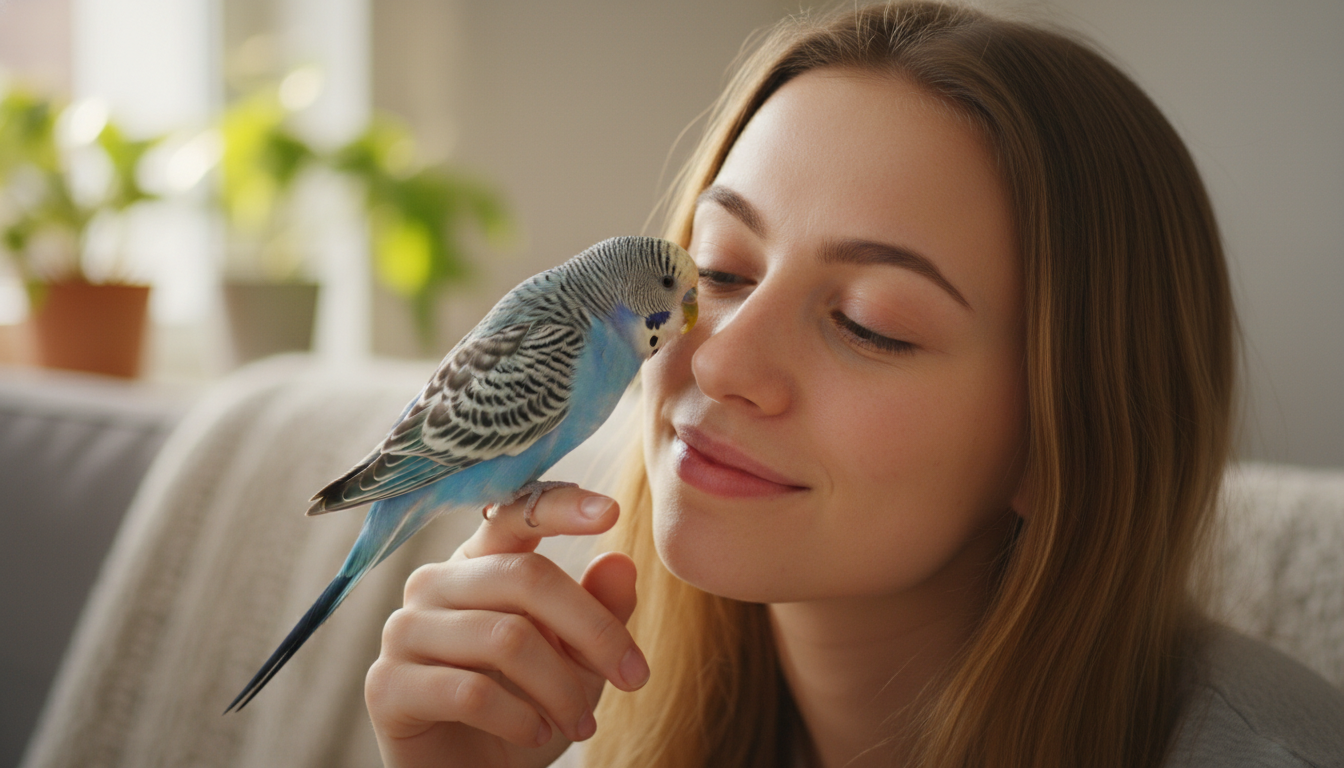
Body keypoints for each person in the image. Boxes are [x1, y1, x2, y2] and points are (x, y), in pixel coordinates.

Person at [362, 3, 1344, 767]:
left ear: (1066, 438)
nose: (715, 359)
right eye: (722, 271)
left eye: (870, 323)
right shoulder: (577, 712)